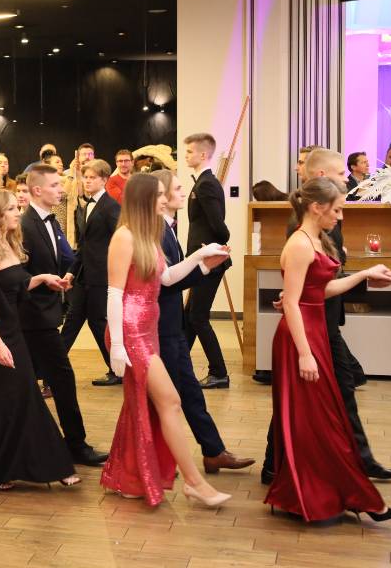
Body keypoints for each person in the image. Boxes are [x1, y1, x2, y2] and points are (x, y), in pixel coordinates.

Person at [261, 149, 391, 483]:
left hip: (321, 320)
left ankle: (280, 464)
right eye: (341, 173)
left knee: (317, 393)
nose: (346, 178)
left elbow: (322, 276)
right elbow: (307, 282)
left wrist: (361, 275)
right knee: (327, 391)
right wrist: (295, 300)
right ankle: (349, 461)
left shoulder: (323, 218)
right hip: (314, 324)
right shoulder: (303, 228)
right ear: (323, 177)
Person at [101, 173, 232, 507]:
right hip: (131, 330)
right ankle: (194, 482)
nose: (164, 199)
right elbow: (114, 293)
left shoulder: (148, 234)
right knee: (171, 402)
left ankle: (130, 476)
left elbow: (167, 278)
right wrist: (118, 345)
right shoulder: (124, 237)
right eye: (159, 194)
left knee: (144, 405)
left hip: (148, 328)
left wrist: (201, 259)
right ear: (144, 198)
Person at [0, 189, 81, 490]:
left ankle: (4, 470)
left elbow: (14, 286)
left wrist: (42, 279)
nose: (18, 212)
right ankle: (51, 466)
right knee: (16, 396)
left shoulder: (10, 243)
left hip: (13, 328)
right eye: (13, 208)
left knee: (16, 397)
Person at [152, 170, 255, 474]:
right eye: (178, 189)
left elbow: (173, 280)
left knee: (190, 395)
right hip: (162, 327)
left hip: (172, 326)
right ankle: (156, 462)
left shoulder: (167, 228)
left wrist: (205, 267)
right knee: (166, 401)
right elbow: (165, 282)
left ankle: (213, 451)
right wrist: (200, 261)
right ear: (162, 195)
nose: (185, 193)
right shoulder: (158, 231)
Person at [20, 165, 106, 467]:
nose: (61, 189)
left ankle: (57, 445)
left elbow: (66, 257)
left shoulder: (51, 221)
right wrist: (45, 279)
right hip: (31, 318)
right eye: (55, 185)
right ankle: (74, 445)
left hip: (46, 315)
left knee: (47, 382)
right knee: (60, 379)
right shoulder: (25, 225)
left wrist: (65, 276)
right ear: (37, 190)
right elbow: (16, 275)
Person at [61, 159, 122, 386]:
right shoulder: (86, 206)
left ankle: (117, 369)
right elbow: (84, 245)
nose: (87, 181)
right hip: (84, 276)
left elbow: (120, 240)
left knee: (97, 323)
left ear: (104, 180)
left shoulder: (111, 207)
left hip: (102, 277)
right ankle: (50, 368)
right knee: (73, 320)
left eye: (92, 178)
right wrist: (71, 271)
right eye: (85, 177)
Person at [182, 133, 232, 389]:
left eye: (190, 151)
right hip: (201, 260)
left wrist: (212, 247)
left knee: (198, 317)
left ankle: (219, 372)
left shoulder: (206, 185)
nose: (186, 155)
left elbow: (221, 230)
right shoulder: (203, 182)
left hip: (209, 261)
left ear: (203, 155)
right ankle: (177, 363)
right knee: (189, 316)